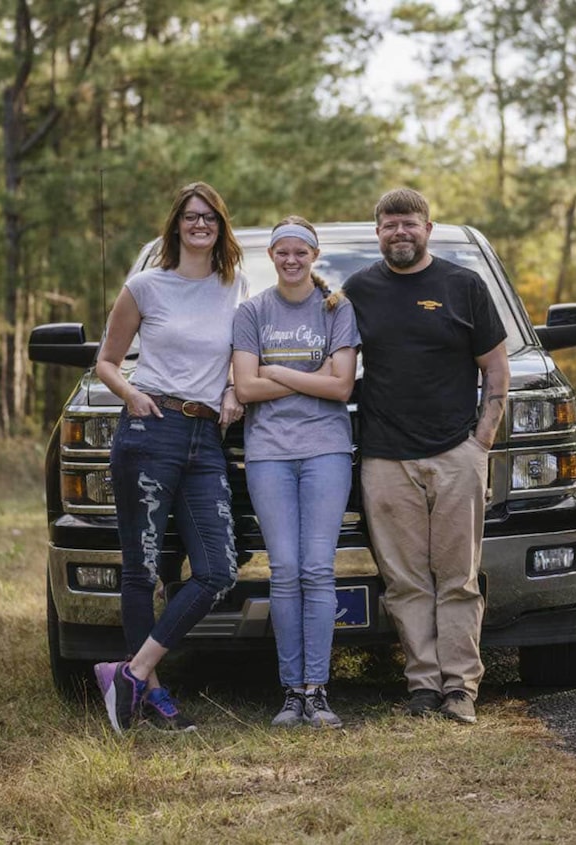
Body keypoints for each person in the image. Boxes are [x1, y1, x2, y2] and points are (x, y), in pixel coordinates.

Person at [341, 188, 510, 725]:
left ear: (428, 228)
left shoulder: (464, 285)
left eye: (409, 223)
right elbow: (332, 362)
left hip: (455, 453)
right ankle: (422, 685)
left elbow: (496, 368)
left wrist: (481, 440)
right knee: (406, 581)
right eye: (390, 225)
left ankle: (461, 688)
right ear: (378, 233)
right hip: (385, 459)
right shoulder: (358, 290)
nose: (400, 233)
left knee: (457, 577)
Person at [92, 181, 247, 734]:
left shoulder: (235, 286)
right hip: (150, 429)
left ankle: (130, 672)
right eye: (191, 216)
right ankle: (152, 695)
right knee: (142, 569)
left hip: (206, 438)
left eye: (209, 217)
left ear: (221, 226)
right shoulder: (145, 286)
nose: (200, 224)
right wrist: (131, 394)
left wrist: (232, 389)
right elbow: (107, 361)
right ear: (176, 225)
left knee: (218, 570)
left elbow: (237, 357)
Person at [231, 216, 360, 729]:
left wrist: (275, 372)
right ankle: (291, 692)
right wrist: (313, 377)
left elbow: (343, 388)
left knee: (317, 568)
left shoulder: (337, 308)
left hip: (326, 450)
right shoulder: (252, 312)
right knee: (283, 570)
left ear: (313, 255)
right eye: (282, 252)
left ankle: (317, 690)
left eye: (300, 252)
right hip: (268, 454)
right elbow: (243, 388)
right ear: (271, 256)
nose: (291, 260)